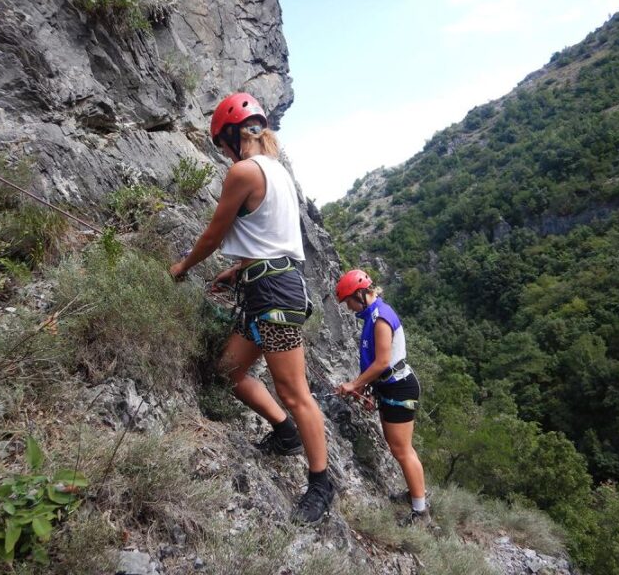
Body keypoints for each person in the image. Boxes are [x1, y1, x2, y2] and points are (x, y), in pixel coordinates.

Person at [170, 92, 334, 525]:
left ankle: (321, 484)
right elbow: (270, 235)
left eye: (220, 145)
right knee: (229, 372)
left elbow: (213, 235)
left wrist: (183, 266)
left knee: (295, 392)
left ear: (229, 135)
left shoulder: (244, 171)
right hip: (268, 286)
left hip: (275, 295)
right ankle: (285, 433)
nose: (222, 155)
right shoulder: (277, 171)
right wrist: (239, 271)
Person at [335, 270, 430, 526]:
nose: (348, 308)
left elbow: (382, 362)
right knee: (398, 446)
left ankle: (420, 512)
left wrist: (354, 384)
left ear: (359, 295)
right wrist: (368, 390)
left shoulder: (380, 319)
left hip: (399, 387)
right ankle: (415, 494)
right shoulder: (374, 314)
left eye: (348, 302)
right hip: (391, 386)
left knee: (402, 449)